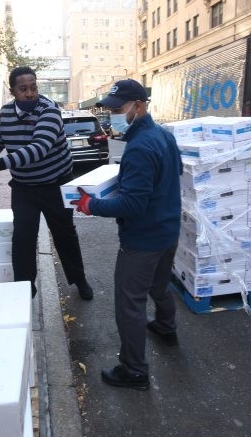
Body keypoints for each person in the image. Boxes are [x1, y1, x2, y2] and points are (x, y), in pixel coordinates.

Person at [71, 79, 183, 391]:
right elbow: (171, 176)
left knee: (129, 304)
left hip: (143, 239)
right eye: (109, 110)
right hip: (168, 230)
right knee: (160, 286)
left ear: (139, 105)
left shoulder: (141, 146)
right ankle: (165, 326)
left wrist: (91, 204)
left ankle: (134, 370)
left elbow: (133, 204)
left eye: (118, 109)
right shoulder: (163, 135)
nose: (113, 116)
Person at [0, 66, 93, 301]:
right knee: (22, 236)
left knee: (64, 234)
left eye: (33, 87)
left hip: (55, 183)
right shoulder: (6, 113)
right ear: (13, 91)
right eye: (23, 89)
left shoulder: (49, 111)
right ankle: (25, 287)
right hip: (24, 186)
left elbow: (39, 148)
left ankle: (79, 279)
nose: (30, 93)